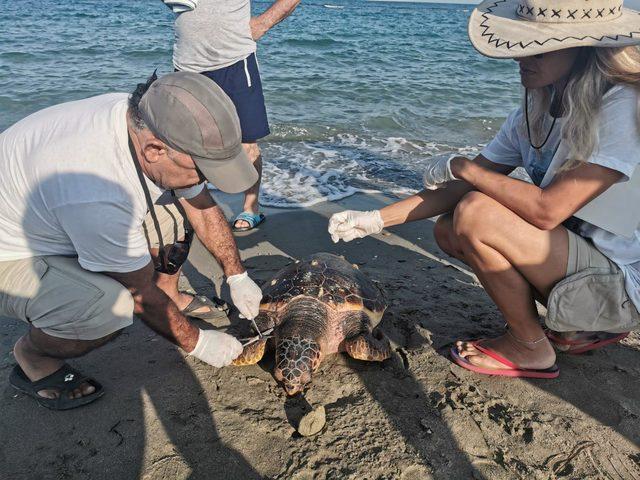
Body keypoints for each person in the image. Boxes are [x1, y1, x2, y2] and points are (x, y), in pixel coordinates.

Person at [328, 0, 640, 379]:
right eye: (522, 42)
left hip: (620, 288)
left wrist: (463, 167)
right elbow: (458, 188)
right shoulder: (535, 109)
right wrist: (374, 220)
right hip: (582, 269)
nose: (520, 56)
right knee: (449, 227)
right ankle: (574, 326)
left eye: (538, 45)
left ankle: (530, 347)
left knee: (476, 212)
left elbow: (547, 210)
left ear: (584, 47)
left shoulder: (623, 104)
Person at [0, 71, 264, 409]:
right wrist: (198, 343)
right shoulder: (100, 190)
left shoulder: (146, 119)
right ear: (155, 150)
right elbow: (139, 295)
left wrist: (236, 274)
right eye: (203, 170)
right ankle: (32, 356)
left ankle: (167, 293)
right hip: (14, 251)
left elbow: (199, 204)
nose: (205, 180)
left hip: (55, 219)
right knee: (109, 307)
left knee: (177, 208)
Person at [167, 0, 301, 231]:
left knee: (247, 145)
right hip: (187, 65)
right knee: (188, 146)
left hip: (235, 62)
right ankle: (200, 210)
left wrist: (263, 23)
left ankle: (251, 208)